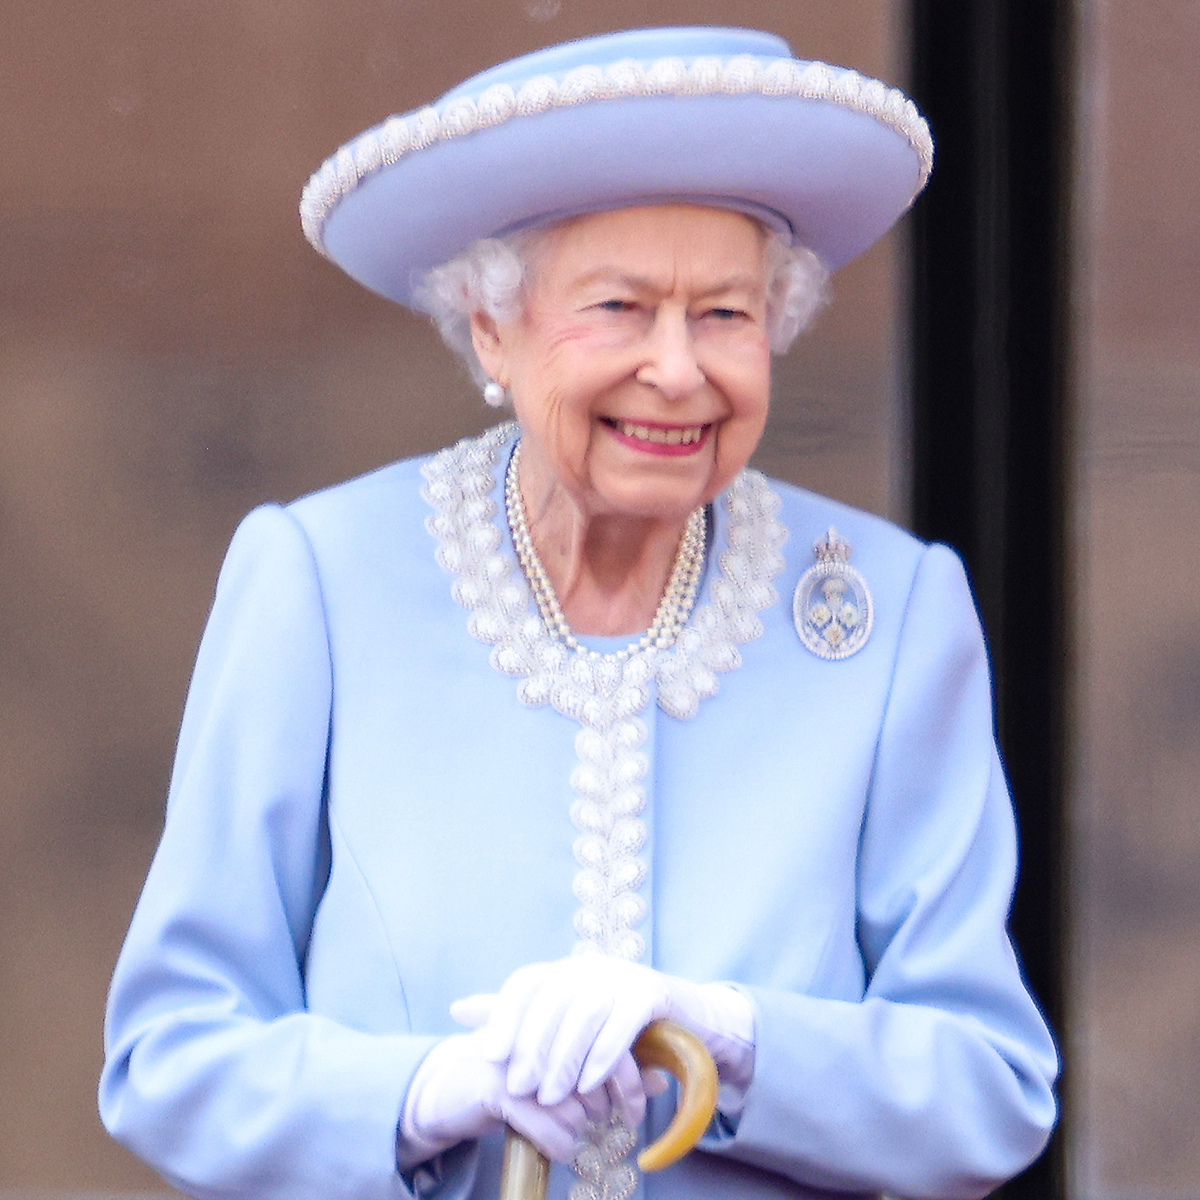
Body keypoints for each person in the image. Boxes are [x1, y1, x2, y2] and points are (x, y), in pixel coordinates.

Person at [99, 26, 1058, 1200]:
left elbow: (989, 1086)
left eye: (725, 315)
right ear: (490, 329)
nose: (677, 368)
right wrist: (424, 1095)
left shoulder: (896, 611)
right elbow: (171, 1057)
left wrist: (723, 1033)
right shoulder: (320, 581)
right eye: (618, 307)